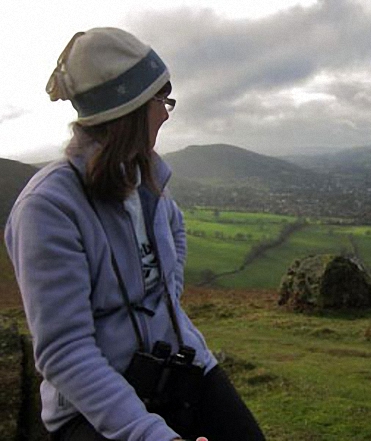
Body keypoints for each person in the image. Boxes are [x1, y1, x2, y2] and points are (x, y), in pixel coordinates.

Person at [4, 27, 265, 441]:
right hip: (91, 404)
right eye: (160, 100)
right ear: (126, 111)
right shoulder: (47, 208)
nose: (165, 113)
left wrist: (166, 298)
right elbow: (65, 353)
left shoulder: (146, 176)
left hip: (181, 367)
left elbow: (174, 225)